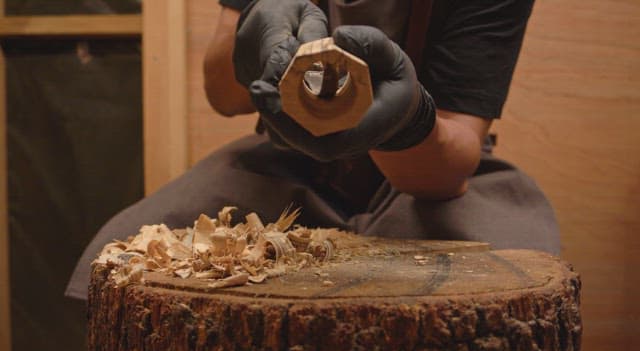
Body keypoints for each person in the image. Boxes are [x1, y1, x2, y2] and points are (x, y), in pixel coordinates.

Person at [66, 0, 559, 300]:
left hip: (426, 164)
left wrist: (406, 121)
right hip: (287, 158)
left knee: (489, 273)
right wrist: (252, 31)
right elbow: (224, 94)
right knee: (122, 257)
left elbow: (443, 170)